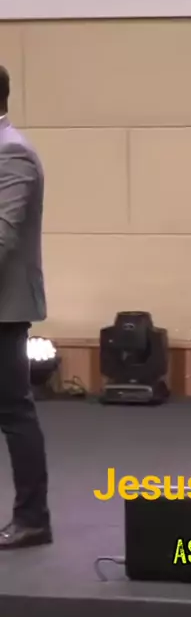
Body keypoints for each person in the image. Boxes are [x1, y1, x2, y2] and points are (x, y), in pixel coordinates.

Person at [0, 65, 52, 549]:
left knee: (14, 411)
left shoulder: (12, 152)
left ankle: (33, 518)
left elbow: (3, 235)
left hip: (4, 307)